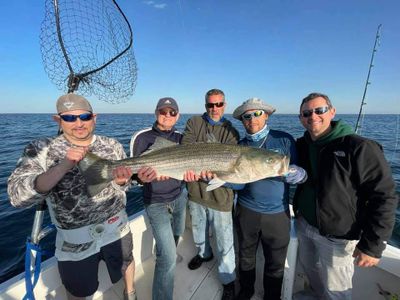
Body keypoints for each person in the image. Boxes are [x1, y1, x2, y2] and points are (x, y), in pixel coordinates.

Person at [7, 94, 153, 300]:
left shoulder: (111, 145)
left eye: (84, 117)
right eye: (69, 118)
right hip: (75, 242)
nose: (78, 123)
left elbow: (124, 184)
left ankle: (130, 292)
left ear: (94, 117)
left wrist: (122, 182)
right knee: (78, 290)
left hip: (117, 228)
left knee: (127, 263)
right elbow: (17, 197)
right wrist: (63, 166)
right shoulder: (41, 148)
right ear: (58, 120)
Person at [293, 92, 398, 299]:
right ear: (300, 118)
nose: (313, 116)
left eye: (319, 110)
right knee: (311, 274)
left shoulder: (360, 147)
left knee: (336, 289)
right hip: (305, 226)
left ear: (332, 112)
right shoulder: (301, 146)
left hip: (338, 237)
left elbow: (385, 196)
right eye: (306, 113)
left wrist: (373, 245)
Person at [231, 98, 307, 300]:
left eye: (257, 113)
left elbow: (299, 171)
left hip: (277, 214)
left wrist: (300, 174)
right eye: (246, 116)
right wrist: (222, 180)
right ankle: (246, 292)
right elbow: (239, 184)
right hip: (247, 211)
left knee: (275, 262)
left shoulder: (284, 140)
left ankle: (272, 296)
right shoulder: (240, 145)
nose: (252, 119)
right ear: (242, 120)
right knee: (245, 257)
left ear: (266, 115)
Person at [182, 88, 240, 300]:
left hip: (220, 196)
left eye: (219, 104)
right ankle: (204, 255)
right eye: (210, 105)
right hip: (196, 192)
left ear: (225, 105)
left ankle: (228, 280)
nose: (214, 108)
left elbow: (230, 166)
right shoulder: (194, 123)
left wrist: (210, 170)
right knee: (199, 232)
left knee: (225, 242)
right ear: (205, 105)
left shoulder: (231, 131)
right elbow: (186, 148)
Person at [129, 97, 187, 300]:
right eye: (163, 112)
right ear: (156, 113)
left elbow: (191, 163)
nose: (168, 116)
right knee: (169, 257)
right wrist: (141, 178)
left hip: (180, 196)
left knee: (176, 235)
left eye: (172, 112)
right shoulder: (142, 137)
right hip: (155, 201)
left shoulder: (182, 137)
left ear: (178, 115)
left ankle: (163, 250)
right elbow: (134, 176)